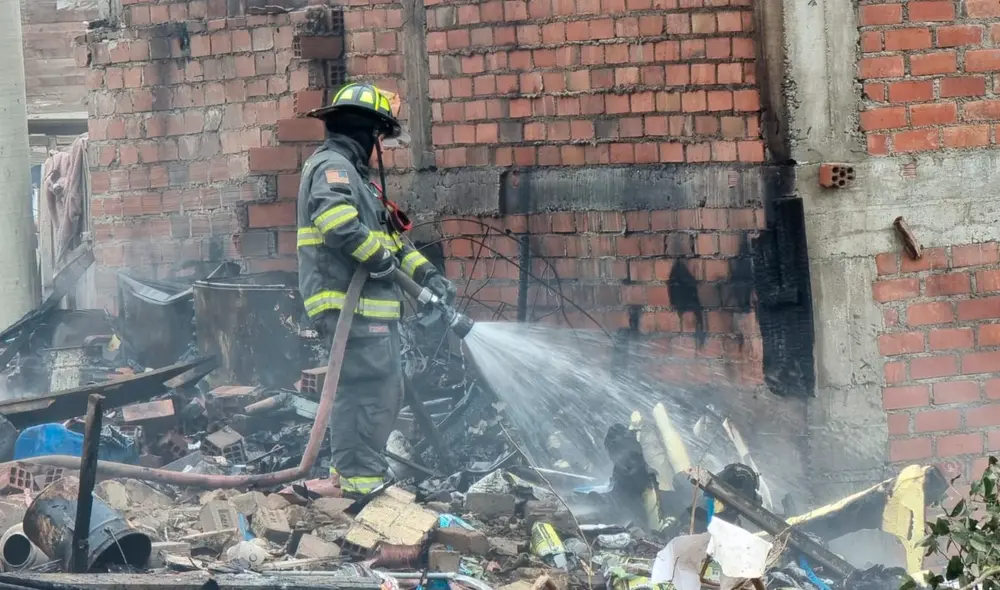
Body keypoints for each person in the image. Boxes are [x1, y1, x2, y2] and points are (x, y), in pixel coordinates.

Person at [297, 82, 455, 495]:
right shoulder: (333, 168)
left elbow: (393, 243)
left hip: (371, 311)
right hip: (352, 308)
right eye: (378, 136)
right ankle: (359, 487)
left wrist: (426, 276)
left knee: (382, 389)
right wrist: (379, 260)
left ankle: (359, 479)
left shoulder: (360, 181)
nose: (378, 145)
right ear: (368, 132)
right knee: (370, 393)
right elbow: (338, 226)